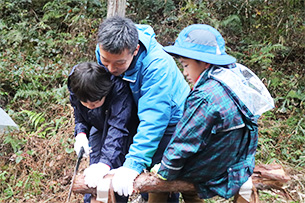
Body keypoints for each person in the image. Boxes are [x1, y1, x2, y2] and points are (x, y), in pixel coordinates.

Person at [156, 24, 274, 203]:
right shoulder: (233, 78)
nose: (185, 72)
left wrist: (164, 171)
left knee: (160, 179)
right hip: (239, 162)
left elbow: (185, 141)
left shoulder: (205, 96)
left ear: (204, 62)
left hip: (213, 166)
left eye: (186, 65)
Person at [95, 16, 190, 202]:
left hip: (172, 119)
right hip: (137, 110)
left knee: (161, 175)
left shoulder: (157, 67)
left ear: (135, 50)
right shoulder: (105, 49)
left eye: (119, 63)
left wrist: (133, 165)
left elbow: (154, 120)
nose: (111, 68)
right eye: (106, 61)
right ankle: (145, 196)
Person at [68, 62, 138, 203]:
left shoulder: (118, 89)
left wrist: (105, 164)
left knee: (113, 175)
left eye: (93, 104)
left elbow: (117, 130)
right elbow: (79, 113)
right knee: (93, 178)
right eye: (85, 103)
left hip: (123, 129)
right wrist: (81, 134)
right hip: (98, 127)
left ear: (104, 93)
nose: (89, 107)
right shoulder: (76, 85)